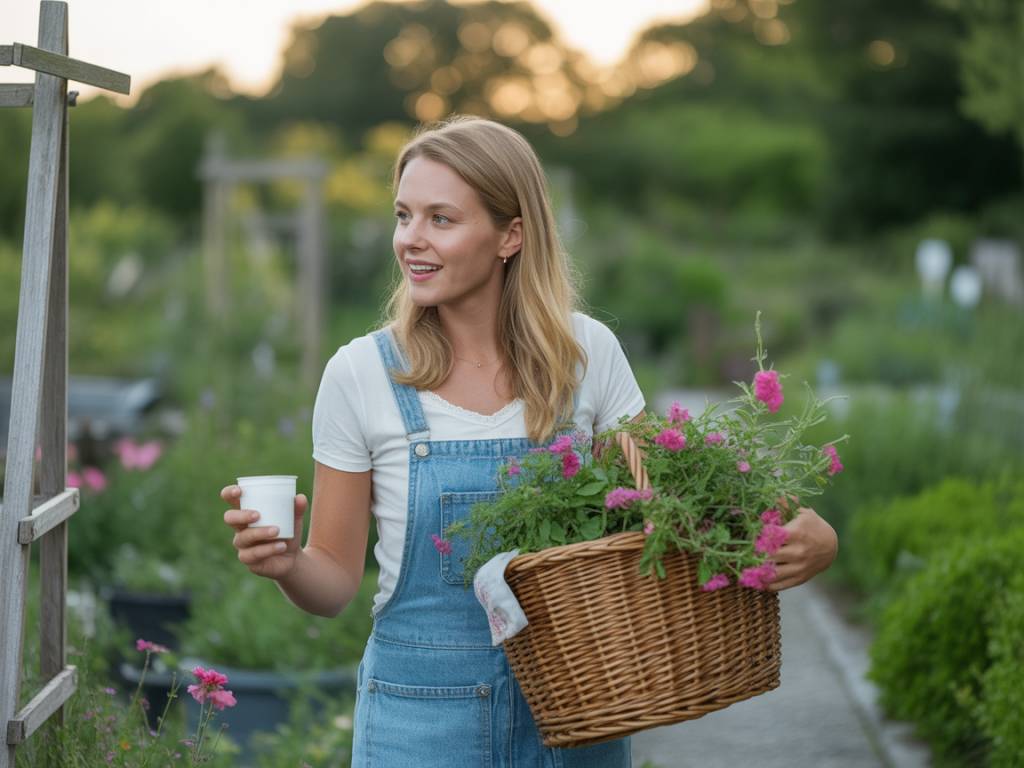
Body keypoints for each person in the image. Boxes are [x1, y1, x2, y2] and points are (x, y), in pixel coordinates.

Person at [220, 115, 839, 767]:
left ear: (510, 235)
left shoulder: (587, 356)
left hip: (579, 722)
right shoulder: (361, 373)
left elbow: (671, 510)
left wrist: (801, 537)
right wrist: (288, 564)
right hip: (420, 727)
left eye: (441, 219)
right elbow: (336, 582)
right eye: (404, 216)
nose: (411, 241)